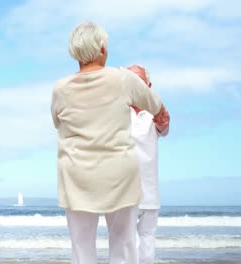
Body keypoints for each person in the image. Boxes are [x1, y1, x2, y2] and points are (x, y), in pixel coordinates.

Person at [51, 22, 167, 264]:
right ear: (102, 49)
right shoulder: (123, 79)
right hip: (119, 177)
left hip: (77, 177)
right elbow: (155, 105)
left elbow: (57, 122)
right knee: (123, 246)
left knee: (82, 249)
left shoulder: (60, 89)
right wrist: (160, 115)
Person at [127, 65, 170, 264]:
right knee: (126, 244)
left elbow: (164, 125)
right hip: (124, 190)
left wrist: (161, 119)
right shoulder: (118, 111)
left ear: (148, 85)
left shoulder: (154, 113)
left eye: (139, 81)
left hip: (150, 190)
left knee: (147, 243)